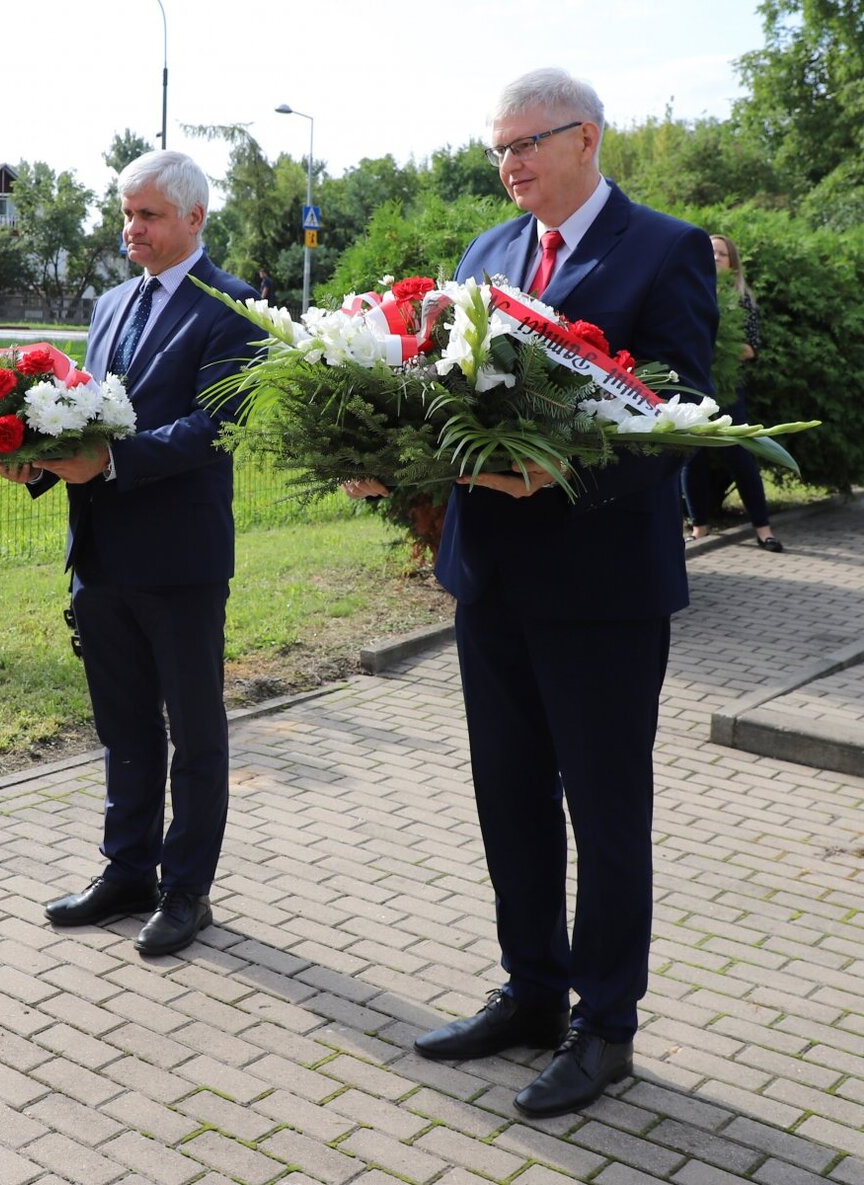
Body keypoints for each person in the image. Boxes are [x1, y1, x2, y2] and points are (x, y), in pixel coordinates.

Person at [347, 67, 717, 1118]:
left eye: (527, 144)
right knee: (507, 798)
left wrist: (565, 471)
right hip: (490, 573)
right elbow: (448, 398)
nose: (509, 164)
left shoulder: (663, 248)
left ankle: (606, 1028)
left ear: (586, 138)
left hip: (600, 584)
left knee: (603, 813)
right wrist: (393, 459)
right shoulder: (486, 253)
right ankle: (532, 993)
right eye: (497, 148)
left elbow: (686, 404)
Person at [0, 150, 263, 957]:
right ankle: (126, 869)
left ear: (193, 219)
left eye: (146, 215)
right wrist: (34, 457)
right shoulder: (110, 302)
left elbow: (216, 427)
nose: (129, 229)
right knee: (124, 726)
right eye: (126, 213)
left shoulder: (234, 307)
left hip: (179, 559)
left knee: (195, 732)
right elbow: (83, 408)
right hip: (99, 551)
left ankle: (186, 890)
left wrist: (110, 462)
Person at [682, 233, 782, 551]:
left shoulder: (742, 298)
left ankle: (763, 529)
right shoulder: (688, 293)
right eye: (709, 252)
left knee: (740, 456)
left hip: (728, 390)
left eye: (721, 254)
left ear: (732, 263)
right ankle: (699, 527)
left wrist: (715, 349)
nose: (714, 258)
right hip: (692, 385)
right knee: (690, 456)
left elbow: (750, 349)